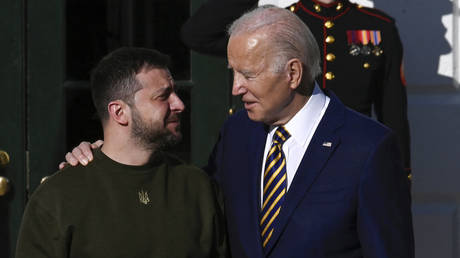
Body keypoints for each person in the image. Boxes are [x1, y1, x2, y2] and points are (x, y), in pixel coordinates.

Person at [62, 6, 413, 258]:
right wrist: (107, 158)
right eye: (233, 73)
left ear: (292, 74)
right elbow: (193, 201)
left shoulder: (368, 148)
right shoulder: (239, 131)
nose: (235, 88)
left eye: (248, 74)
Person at [16, 47, 228, 258]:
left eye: (176, 93)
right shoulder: (57, 198)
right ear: (119, 112)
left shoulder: (198, 187)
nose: (179, 104)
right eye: (163, 96)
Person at [180, 0, 412, 178]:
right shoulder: (282, 25)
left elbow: (393, 114)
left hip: (351, 161)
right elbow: (198, 34)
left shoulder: (378, 28)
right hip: (287, 158)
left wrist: (399, 176)